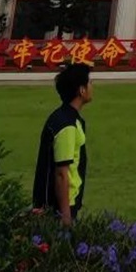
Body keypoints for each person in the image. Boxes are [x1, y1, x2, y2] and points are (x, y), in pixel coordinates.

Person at [31, 61, 93, 228]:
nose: (92, 86)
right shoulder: (66, 124)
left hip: (66, 201)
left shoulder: (69, 118)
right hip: (60, 206)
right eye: (89, 83)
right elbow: (61, 173)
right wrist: (65, 216)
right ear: (81, 90)